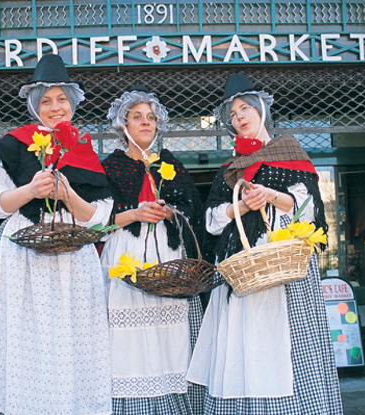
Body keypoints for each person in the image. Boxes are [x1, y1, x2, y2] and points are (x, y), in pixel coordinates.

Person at [0, 54, 114, 415]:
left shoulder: (84, 150)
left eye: (61, 99)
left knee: (72, 340)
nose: (55, 107)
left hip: (73, 259)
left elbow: (101, 217)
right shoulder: (15, 143)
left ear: (72, 103)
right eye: (46, 100)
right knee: (28, 339)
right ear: (34, 105)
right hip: (24, 258)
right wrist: (30, 190)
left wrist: (68, 196)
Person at [186, 73, 342, 414]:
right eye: (232, 114)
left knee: (282, 343)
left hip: (283, 263)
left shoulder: (290, 152)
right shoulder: (229, 168)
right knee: (245, 340)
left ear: (260, 110)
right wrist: (242, 205)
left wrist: (272, 195)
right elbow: (212, 221)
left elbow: (309, 210)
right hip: (242, 268)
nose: (239, 117)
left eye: (244, 109)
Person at [100, 85, 205, 414]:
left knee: (169, 333)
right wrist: (134, 213)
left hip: (167, 256)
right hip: (125, 257)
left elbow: (194, 212)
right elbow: (97, 223)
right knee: (128, 338)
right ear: (123, 125)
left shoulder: (170, 163)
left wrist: (171, 212)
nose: (146, 122)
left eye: (151, 117)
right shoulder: (109, 167)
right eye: (137, 117)